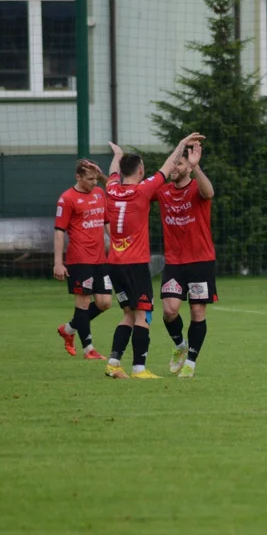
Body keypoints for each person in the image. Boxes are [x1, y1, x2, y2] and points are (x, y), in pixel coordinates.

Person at [103, 134, 203, 380]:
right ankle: (139, 368)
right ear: (140, 170)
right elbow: (169, 166)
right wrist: (181, 144)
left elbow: (113, 172)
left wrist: (116, 156)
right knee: (143, 314)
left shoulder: (111, 189)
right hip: (135, 265)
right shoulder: (143, 190)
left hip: (114, 264)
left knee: (127, 313)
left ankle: (114, 363)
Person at [153, 139, 216, 379]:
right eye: (173, 164)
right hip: (174, 263)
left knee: (197, 312)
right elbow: (136, 195)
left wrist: (197, 167)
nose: (174, 168)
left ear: (188, 167)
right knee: (170, 310)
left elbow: (209, 192)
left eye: (179, 164)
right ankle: (179, 344)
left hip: (201, 261)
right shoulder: (163, 191)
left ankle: (190, 361)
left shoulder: (197, 187)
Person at [54, 158, 111, 360]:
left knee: (105, 302)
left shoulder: (99, 193)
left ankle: (68, 329)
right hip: (79, 258)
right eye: (89, 179)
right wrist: (58, 263)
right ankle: (89, 349)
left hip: (100, 259)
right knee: (84, 302)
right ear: (78, 177)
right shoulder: (67, 198)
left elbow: (107, 222)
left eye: (95, 178)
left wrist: (117, 245)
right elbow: (59, 231)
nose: (93, 183)